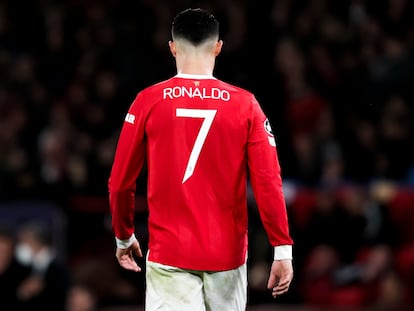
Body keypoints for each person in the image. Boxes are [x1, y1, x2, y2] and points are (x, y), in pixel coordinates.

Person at [108, 7, 294, 311]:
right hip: (228, 258)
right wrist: (282, 249)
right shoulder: (246, 105)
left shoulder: (148, 101)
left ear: (172, 47)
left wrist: (123, 236)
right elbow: (268, 181)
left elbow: (119, 182)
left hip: (170, 254)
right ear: (218, 47)